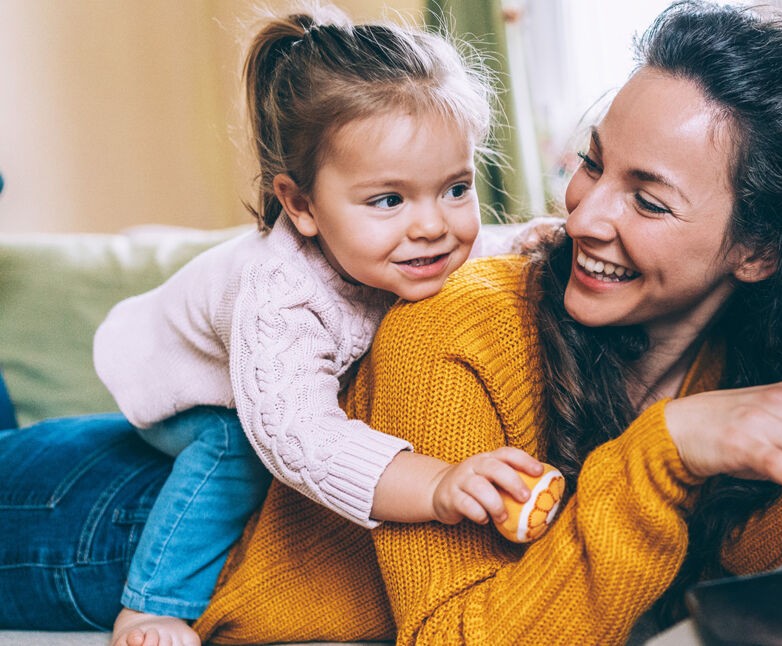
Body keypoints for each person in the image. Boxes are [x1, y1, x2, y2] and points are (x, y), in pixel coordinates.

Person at [0, 1, 782, 643]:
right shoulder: (451, 326)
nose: (586, 213)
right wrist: (661, 453)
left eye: (648, 199)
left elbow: (739, 560)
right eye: (592, 162)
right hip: (104, 523)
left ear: (759, 252)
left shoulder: (722, 355)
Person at [1, 6, 550, 646]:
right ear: (300, 204)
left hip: (249, 376)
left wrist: (544, 240)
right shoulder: (281, 296)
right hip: (182, 385)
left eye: (455, 188)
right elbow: (301, 441)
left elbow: (491, 247)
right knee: (233, 450)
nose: (433, 225)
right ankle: (151, 603)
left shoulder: (420, 247)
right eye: (389, 199)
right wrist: (435, 484)